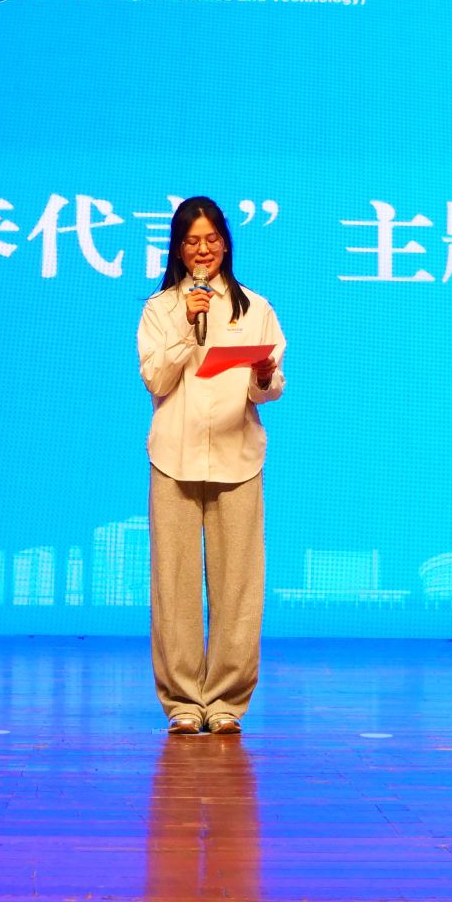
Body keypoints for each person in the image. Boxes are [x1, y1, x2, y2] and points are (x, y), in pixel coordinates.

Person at [137, 196, 285, 735]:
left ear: (226, 243)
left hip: (237, 455)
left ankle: (225, 702)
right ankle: (182, 701)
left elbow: (270, 388)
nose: (204, 250)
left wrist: (263, 373)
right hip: (173, 457)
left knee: (237, 587)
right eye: (192, 241)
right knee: (174, 585)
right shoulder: (160, 309)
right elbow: (156, 379)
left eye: (212, 239)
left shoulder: (255, 307)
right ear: (178, 249)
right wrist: (186, 323)